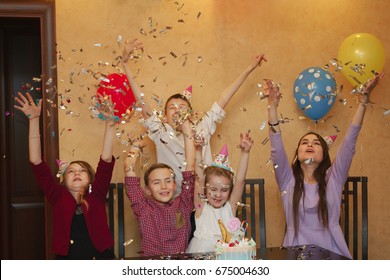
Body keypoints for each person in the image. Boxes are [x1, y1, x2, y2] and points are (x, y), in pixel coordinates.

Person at [122, 38, 266, 191]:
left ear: (190, 114)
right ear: (164, 116)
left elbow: (224, 98)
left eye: (182, 107)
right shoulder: (160, 131)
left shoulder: (202, 126)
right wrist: (125, 64)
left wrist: (250, 67)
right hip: (173, 202)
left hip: (204, 199)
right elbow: (142, 103)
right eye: (172, 108)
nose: (177, 110)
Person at [266, 73, 384, 259]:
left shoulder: (334, 178)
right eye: (305, 142)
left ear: (324, 154)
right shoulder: (287, 180)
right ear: (297, 154)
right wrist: (272, 107)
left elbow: (349, 143)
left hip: (333, 255)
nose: (310, 144)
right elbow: (276, 149)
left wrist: (362, 103)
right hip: (296, 257)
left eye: (316, 143)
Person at [14, 91, 116, 260]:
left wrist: (110, 122)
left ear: (91, 179)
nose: (76, 172)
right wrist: (33, 120)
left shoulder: (96, 194)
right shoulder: (57, 196)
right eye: (71, 171)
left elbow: (106, 160)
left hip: (101, 258)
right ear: (63, 181)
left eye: (82, 171)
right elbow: (36, 161)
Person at [124, 117, 195, 256]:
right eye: (156, 182)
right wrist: (137, 143)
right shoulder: (143, 206)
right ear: (147, 190)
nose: (163, 186)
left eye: (168, 181)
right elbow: (129, 167)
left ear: (175, 185)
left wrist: (187, 131)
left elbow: (190, 167)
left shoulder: (184, 204)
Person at [186, 131, 253, 253]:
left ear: (230, 190)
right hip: (202, 254)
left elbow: (240, 181)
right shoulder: (201, 206)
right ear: (205, 189)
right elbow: (199, 180)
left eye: (224, 190)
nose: (218, 194)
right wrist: (198, 151)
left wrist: (245, 153)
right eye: (213, 189)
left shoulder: (230, 206)